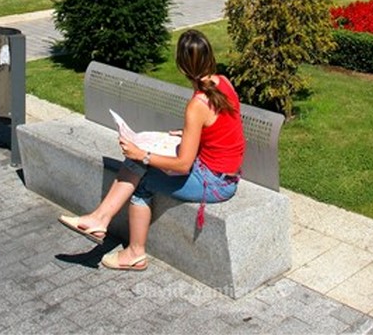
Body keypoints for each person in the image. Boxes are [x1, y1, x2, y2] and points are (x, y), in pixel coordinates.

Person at [58, 29, 246, 272]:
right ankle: (99, 219)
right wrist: (190, 133)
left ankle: (134, 252)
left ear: (181, 66)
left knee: (142, 176)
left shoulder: (197, 105)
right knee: (138, 163)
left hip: (216, 182)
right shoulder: (224, 82)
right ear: (210, 56)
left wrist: (142, 154)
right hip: (223, 173)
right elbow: (223, 129)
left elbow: (182, 165)